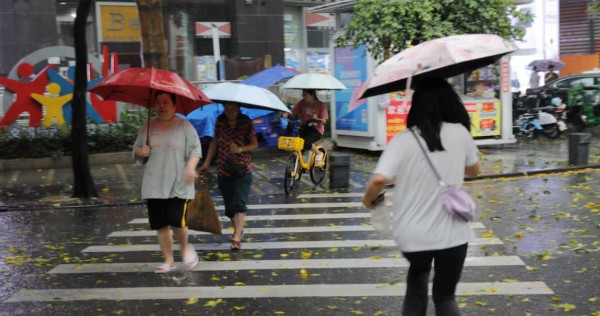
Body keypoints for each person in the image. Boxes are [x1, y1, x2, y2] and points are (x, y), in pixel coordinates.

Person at [363, 77, 480, 316]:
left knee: (416, 290)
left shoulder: (404, 139)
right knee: (446, 297)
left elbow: (378, 180)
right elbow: (474, 170)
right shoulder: (460, 132)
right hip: (453, 235)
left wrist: (368, 200)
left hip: (414, 235)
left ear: (417, 106)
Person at [132, 91, 202, 273]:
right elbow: (135, 150)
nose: (161, 106)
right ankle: (169, 260)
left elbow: (195, 150)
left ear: (174, 106)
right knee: (161, 224)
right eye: (158, 103)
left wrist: (190, 167)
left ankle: (186, 248)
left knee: (177, 221)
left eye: (165, 102)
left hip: (178, 182)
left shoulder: (184, 126)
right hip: (154, 183)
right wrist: (141, 152)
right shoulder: (147, 127)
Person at [199, 102, 258, 251]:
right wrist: (206, 163)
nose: (230, 112)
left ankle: (236, 236)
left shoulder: (245, 122)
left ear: (238, 108)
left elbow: (254, 144)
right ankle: (239, 227)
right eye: (227, 109)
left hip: (242, 169)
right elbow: (215, 142)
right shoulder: (220, 121)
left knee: (239, 203)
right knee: (229, 209)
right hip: (223, 169)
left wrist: (239, 149)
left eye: (233, 109)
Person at [289, 89, 329, 166]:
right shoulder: (301, 103)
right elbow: (292, 111)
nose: (303, 97)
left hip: (316, 130)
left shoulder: (321, 105)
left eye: (305, 95)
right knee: (297, 150)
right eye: (303, 94)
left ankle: (319, 153)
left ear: (312, 95)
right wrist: (287, 113)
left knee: (305, 142)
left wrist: (316, 119)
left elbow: (324, 121)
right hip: (304, 128)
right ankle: (297, 172)